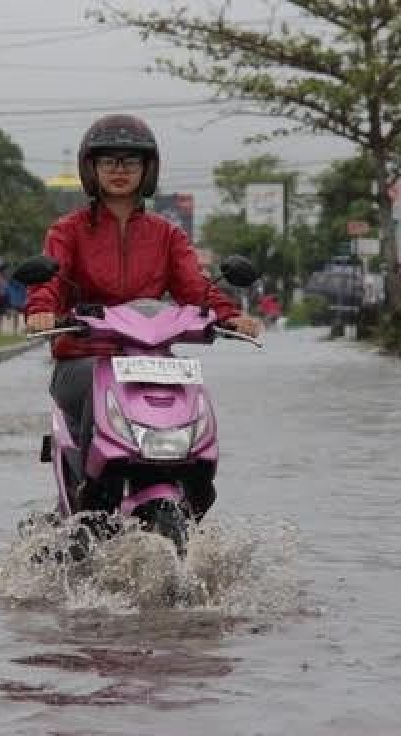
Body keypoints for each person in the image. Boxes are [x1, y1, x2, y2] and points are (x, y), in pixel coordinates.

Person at [24, 114, 260, 506]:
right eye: (108, 161)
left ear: (147, 170)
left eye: (130, 161)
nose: (119, 170)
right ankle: (89, 496)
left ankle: (195, 479)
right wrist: (42, 311)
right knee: (93, 384)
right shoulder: (67, 231)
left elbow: (195, 289)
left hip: (149, 360)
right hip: (83, 359)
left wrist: (229, 316)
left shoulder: (166, 234)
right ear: (91, 169)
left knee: (193, 394)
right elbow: (48, 282)